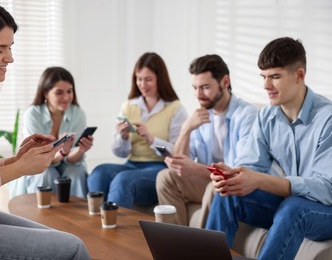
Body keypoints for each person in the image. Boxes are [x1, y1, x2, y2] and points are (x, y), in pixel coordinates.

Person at [0, 1, 90, 259]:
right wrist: (19, 169)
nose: (9, 58)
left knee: (63, 240)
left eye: (9, 48)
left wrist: (16, 160)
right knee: (72, 248)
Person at [205, 37, 332, 259]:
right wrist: (233, 176)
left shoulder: (327, 119)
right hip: (290, 205)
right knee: (228, 194)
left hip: (325, 210)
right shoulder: (267, 116)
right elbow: (251, 164)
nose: (266, 85)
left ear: (299, 75)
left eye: (275, 76)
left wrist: (261, 180)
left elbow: (326, 189)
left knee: (294, 208)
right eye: (263, 77)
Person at [156, 54, 258, 226]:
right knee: (165, 177)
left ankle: (200, 249)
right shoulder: (202, 115)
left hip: (235, 187)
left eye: (204, 87)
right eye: (195, 88)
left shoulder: (247, 116)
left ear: (225, 82)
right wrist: (186, 129)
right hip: (211, 181)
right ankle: (174, 243)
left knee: (216, 187)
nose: (198, 94)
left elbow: (239, 174)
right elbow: (180, 165)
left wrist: (196, 168)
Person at [87, 52, 188, 208]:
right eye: (139, 79)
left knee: (123, 179)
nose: (142, 84)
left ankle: (115, 229)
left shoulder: (176, 109)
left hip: (160, 168)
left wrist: (151, 139)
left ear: (160, 79)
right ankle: (95, 225)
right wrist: (124, 136)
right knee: (99, 173)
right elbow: (119, 153)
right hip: (131, 164)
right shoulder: (128, 106)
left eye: (148, 79)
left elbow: (177, 152)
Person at [10, 66, 93, 198]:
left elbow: (72, 159)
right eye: (59, 93)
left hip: (68, 163)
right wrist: (61, 152)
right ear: (45, 93)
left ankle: (76, 216)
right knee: (47, 174)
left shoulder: (78, 113)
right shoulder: (33, 114)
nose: (66, 97)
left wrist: (81, 150)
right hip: (39, 163)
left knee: (76, 173)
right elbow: (39, 158)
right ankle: (42, 216)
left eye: (69, 91)